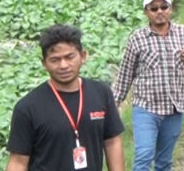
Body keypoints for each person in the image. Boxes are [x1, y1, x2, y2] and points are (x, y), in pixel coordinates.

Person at [7, 24, 125, 171]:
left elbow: (112, 142)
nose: (63, 65)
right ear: (44, 63)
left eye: (69, 57)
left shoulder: (101, 93)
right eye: (55, 60)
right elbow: (18, 162)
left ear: (83, 56)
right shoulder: (27, 108)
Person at [113, 0, 184, 171]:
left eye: (164, 7)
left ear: (171, 9)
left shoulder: (183, 32)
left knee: (164, 161)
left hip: (174, 107)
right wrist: (114, 102)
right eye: (154, 8)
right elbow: (125, 74)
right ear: (146, 12)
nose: (159, 11)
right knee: (144, 156)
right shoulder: (137, 39)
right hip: (146, 108)